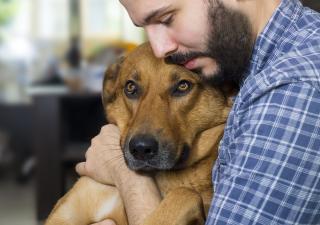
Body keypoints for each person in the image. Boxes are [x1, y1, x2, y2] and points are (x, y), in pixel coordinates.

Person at [76, 0, 320, 224]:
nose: (160, 50)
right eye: (145, 27)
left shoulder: (293, 90)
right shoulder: (254, 65)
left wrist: (126, 176)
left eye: (167, 19)